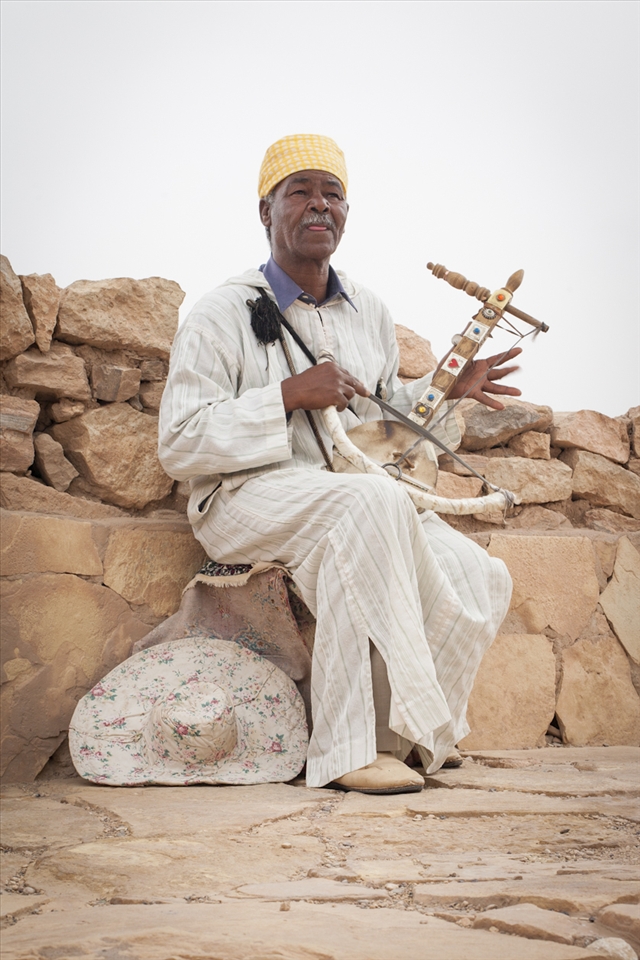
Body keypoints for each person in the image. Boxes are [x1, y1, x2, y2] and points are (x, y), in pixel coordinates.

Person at [158, 134, 520, 794]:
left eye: (333, 194)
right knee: (371, 507)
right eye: (300, 192)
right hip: (244, 497)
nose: (318, 206)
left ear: (346, 215)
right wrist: (288, 396)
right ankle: (346, 750)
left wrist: (444, 389)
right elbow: (180, 440)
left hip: (343, 490)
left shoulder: (371, 313)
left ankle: (419, 735)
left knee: (481, 571)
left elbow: (372, 428)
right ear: (265, 212)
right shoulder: (221, 312)